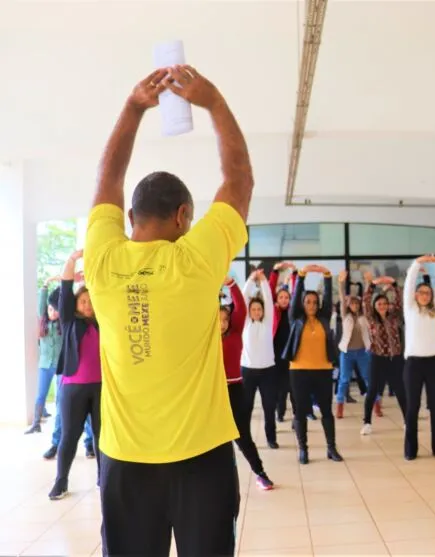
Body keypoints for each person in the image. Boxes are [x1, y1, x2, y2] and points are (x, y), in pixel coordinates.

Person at [83, 67, 253, 555]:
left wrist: (135, 107)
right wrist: (214, 101)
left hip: (124, 462)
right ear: (184, 217)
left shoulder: (102, 261)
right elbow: (238, 178)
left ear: (128, 219)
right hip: (201, 461)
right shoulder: (195, 261)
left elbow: (107, 178)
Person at [48, 251, 102, 500]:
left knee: (103, 435)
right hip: (73, 387)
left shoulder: (102, 322)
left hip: (101, 388)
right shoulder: (69, 320)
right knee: (70, 435)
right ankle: (61, 481)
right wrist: (72, 260)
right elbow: (66, 286)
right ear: (76, 304)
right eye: (83, 301)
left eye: (91, 301)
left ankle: (105, 478)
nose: (88, 305)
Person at [283, 265, 343, 465]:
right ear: (302, 304)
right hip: (299, 371)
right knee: (300, 411)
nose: (311, 305)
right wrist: (301, 275)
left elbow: (327, 296)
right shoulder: (296, 319)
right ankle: (303, 450)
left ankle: (331, 448)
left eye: (314, 302)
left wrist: (327, 275)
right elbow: (295, 298)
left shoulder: (323, 318)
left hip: (323, 371)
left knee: (326, 410)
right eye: (307, 302)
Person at [220, 277, 274, 490]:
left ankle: (260, 472)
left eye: (225, 319)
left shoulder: (235, 335)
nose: (222, 323)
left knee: (242, 436)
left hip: (235, 389)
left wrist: (231, 283)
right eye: (218, 319)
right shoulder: (204, 337)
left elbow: (240, 307)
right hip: (212, 392)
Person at [403, 255, 435, 461]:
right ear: (415, 295)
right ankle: (410, 450)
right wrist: (418, 263)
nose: (424, 295)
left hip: (434, 363)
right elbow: (409, 283)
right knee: (412, 407)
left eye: (427, 292)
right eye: (421, 292)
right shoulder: (410, 309)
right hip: (413, 364)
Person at [361, 272, 407, 435]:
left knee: (401, 389)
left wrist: (394, 284)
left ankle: (407, 421)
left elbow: (400, 300)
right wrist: (372, 285)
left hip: (395, 358)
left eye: (384, 304)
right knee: (372, 390)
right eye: (379, 304)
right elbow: (365, 301)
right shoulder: (371, 318)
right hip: (377, 358)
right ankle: (367, 422)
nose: (382, 306)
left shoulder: (395, 317)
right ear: (375, 306)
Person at [241, 269, 281, 449]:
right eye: (253, 309)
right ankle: (245, 440)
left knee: (269, 407)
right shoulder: (245, 324)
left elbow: (269, 301)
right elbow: (242, 298)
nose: (256, 311)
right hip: (248, 371)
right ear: (249, 311)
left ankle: (271, 438)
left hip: (268, 372)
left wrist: (264, 281)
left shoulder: (267, 321)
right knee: (247, 408)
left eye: (259, 309)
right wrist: (250, 280)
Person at [26, 276, 62, 434]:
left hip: (61, 365)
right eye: (50, 309)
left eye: (55, 309)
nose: (52, 312)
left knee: (60, 398)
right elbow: (42, 305)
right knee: (40, 395)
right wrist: (46, 284)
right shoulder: (44, 323)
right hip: (45, 365)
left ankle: (59, 425)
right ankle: (35, 424)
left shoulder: (65, 325)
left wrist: (63, 284)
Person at [335, 270, 372, 418]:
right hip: (347, 352)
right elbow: (342, 299)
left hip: (363, 352)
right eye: (352, 303)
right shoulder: (346, 315)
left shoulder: (364, 317)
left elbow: (367, 300)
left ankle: (375, 405)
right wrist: (340, 283)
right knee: (344, 380)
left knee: (368, 378)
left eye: (357, 303)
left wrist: (368, 282)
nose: (355, 305)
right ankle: (339, 406)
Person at [270, 262, 297, 422]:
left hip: (292, 355)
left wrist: (294, 273)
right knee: (280, 388)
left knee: (293, 388)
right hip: (276, 355)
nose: (284, 299)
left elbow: (295, 292)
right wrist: (275, 271)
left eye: (286, 297)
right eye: (281, 297)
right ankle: (280, 413)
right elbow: (270, 289)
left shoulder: (293, 312)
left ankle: (296, 416)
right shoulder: (274, 311)